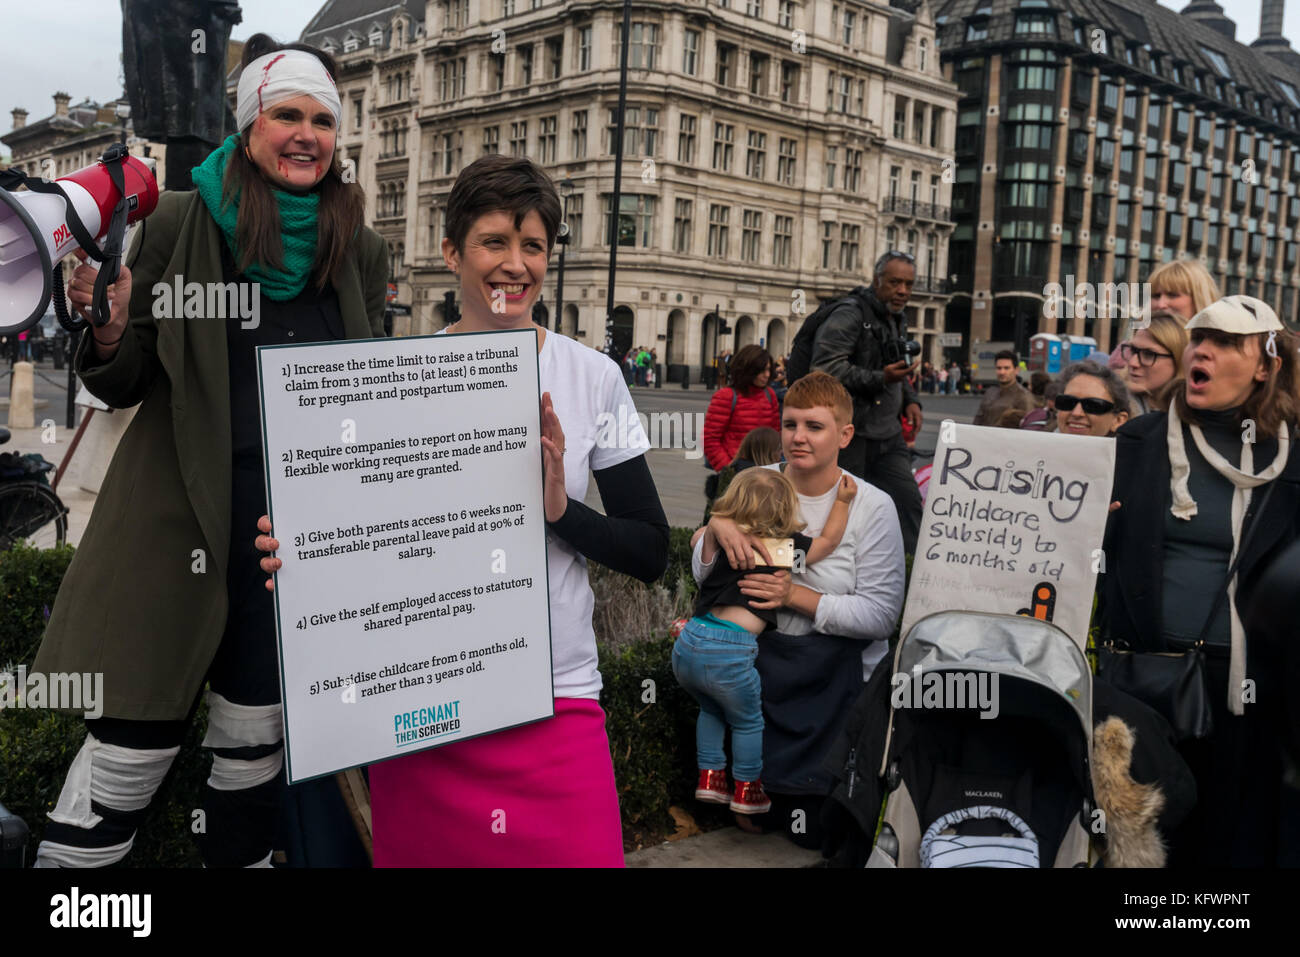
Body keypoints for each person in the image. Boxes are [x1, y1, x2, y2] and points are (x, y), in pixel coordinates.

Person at [30, 35, 385, 869]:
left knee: (253, 757)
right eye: (287, 115)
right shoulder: (180, 220)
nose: (306, 135)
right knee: (122, 762)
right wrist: (111, 326)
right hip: (176, 530)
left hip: (288, 556)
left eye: (323, 120)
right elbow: (125, 377)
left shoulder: (358, 248)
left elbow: (372, 396)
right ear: (250, 124)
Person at [260, 154, 669, 866]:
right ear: (452, 252)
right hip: (425, 709)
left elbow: (650, 548)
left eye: (534, 245)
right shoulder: (392, 375)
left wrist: (558, 511)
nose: (516, 265)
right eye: (494, 242)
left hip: (555, 703)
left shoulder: (593, 376)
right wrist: (298, 551)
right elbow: (365, 542)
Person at [1100, 295, 1300, 867]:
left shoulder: (1292, 457)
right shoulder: (1138, 442)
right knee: (1149, 840)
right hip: (1143, 679)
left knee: (1232, 838)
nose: (1201, 351)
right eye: (1198, 340)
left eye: (1224, 343)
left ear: (1265, 365)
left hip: (1248, 690)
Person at [691, 371, 905, 848]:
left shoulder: (873, 506)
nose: (798, 437)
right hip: (758, 681)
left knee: (815, 831)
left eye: (815, 426)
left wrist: (794, 598)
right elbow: (710, 579)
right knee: (757, 820)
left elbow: (881, 617)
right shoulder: (757, 485)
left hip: (834, 698)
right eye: (790, 424)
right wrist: (713, 533)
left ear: (845, 435)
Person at [677, 469, 856, 815]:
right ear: (784, 511)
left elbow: (696, 538)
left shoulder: (726, 540)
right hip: (730, 649)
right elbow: (828, 543)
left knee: (710, 708)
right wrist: (843, 501)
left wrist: (717, 521)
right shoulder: (781, 547)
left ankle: (710, 776)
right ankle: (747, 788)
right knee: (747, 721)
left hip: (691, 641)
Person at [809, 250, 923, 554]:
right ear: (877, 280)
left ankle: (912, 580)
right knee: (845, 512)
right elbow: (823, 368)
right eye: (895, 282)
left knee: (908, 503)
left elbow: (901, 363)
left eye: (909, 284)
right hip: (852, 436)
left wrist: (910, 400)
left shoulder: (896, 317)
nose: (902, 291)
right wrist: (879, 378)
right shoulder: (851, 315)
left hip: (888, 434)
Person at [702, 344, 781, 472]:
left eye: (768, 369)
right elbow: (710, 439)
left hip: (765, 470)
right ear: (748, 370)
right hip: (737, 468)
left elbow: (776, 434)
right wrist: (728, 469)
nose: (766, 375)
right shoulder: (726, 396)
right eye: (761, 370)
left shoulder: (769, 394)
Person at [1122, 312, 1190, 416]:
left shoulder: (1200, 415)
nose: (1132, 363)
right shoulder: (1111, 407)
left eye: (1149, 354)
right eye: (1133, 350)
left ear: (1180, 359)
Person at [1054, 361, 1131, 437]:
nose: (1076, 413)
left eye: (1092, 405)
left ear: (1118, 420)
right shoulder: (1042, 447)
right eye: (1067, 402)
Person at [973, 350, 1035, 426]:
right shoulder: (990, 392)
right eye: (999, 368)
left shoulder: (1024, 396)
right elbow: (977, 421)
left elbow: (1028, 427)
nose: (1002, 372)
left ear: (1016, 370)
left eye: (1006, 368)